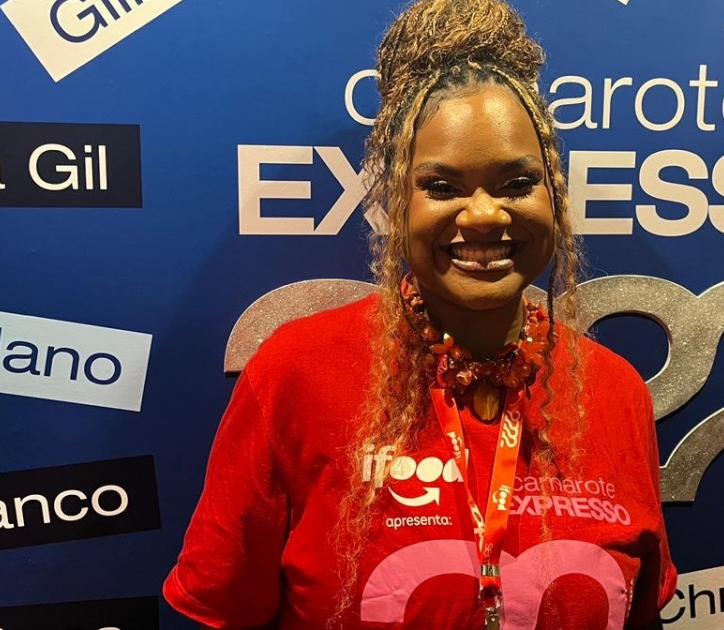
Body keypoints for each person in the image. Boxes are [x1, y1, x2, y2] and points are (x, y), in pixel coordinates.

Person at [163, 0, 676, 627]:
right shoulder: (294, 374)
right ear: (395, 199)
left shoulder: (616, 391)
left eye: (517, 183)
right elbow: (222, 610)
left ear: (555, 192)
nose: (484, 214)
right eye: (442, 186)